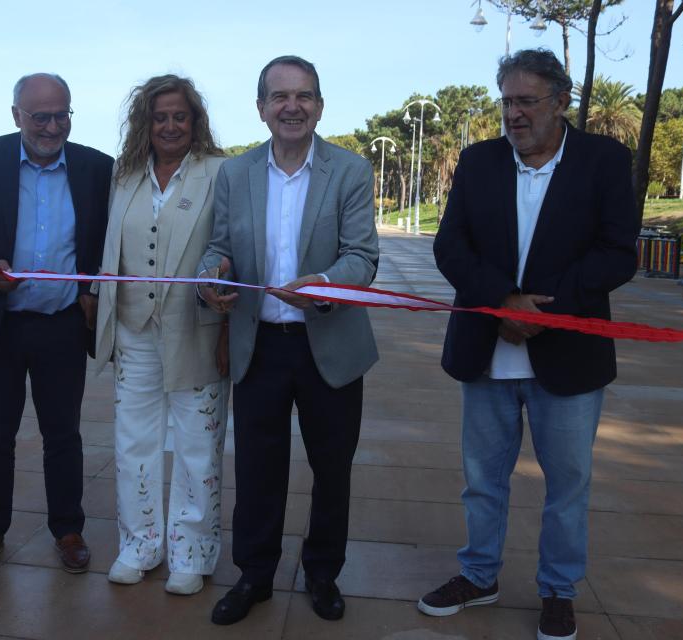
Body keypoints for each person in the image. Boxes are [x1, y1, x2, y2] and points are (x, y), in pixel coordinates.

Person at [422, 49, 639, 640]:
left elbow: (618, 252)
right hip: (485, 353)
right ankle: (478, 575)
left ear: (561, 101)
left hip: (568, 356)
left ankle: (558, 591)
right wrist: (502, 302)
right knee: (482, 479)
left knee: (567, 485)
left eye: (527, 101)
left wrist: (545, 309)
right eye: (507, 102)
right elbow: (450, 247)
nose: (514, 114)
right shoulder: (479, 162)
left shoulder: (604, 161)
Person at [198, 55, 379, 625]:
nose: (292, 106)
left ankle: (322, 573)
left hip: (330, 342)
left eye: (303, 96)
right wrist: (211, 277)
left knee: (332, 468)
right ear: (261, 108)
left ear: (320, 106)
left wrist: (322, 284)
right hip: (260, 346)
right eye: (279, 96)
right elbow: (218, 247)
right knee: (258, 470)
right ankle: (255, 575)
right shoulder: (236, 174)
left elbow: (362, 257)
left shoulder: (350, 170)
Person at [0, 73, 113, 577]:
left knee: (63, 435)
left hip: (62, 325)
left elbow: (107, 240)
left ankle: (68, 530)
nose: (53, 127)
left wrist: (92, 290)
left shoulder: (95, 167)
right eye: (41, 117)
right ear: (16, 114)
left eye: (62, 115)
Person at [94, 75, 229, 595]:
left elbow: (231, 245)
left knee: (198, 444)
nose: (170, 126)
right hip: (134, 329)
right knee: (133, 442)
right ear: (144, 123)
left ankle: (192, 552)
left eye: (179, 116)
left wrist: (227, 318)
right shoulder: (125, 175)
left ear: (195, 121)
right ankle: (140, 543)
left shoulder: (220, 172)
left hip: (197, 330)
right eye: (159, 117)